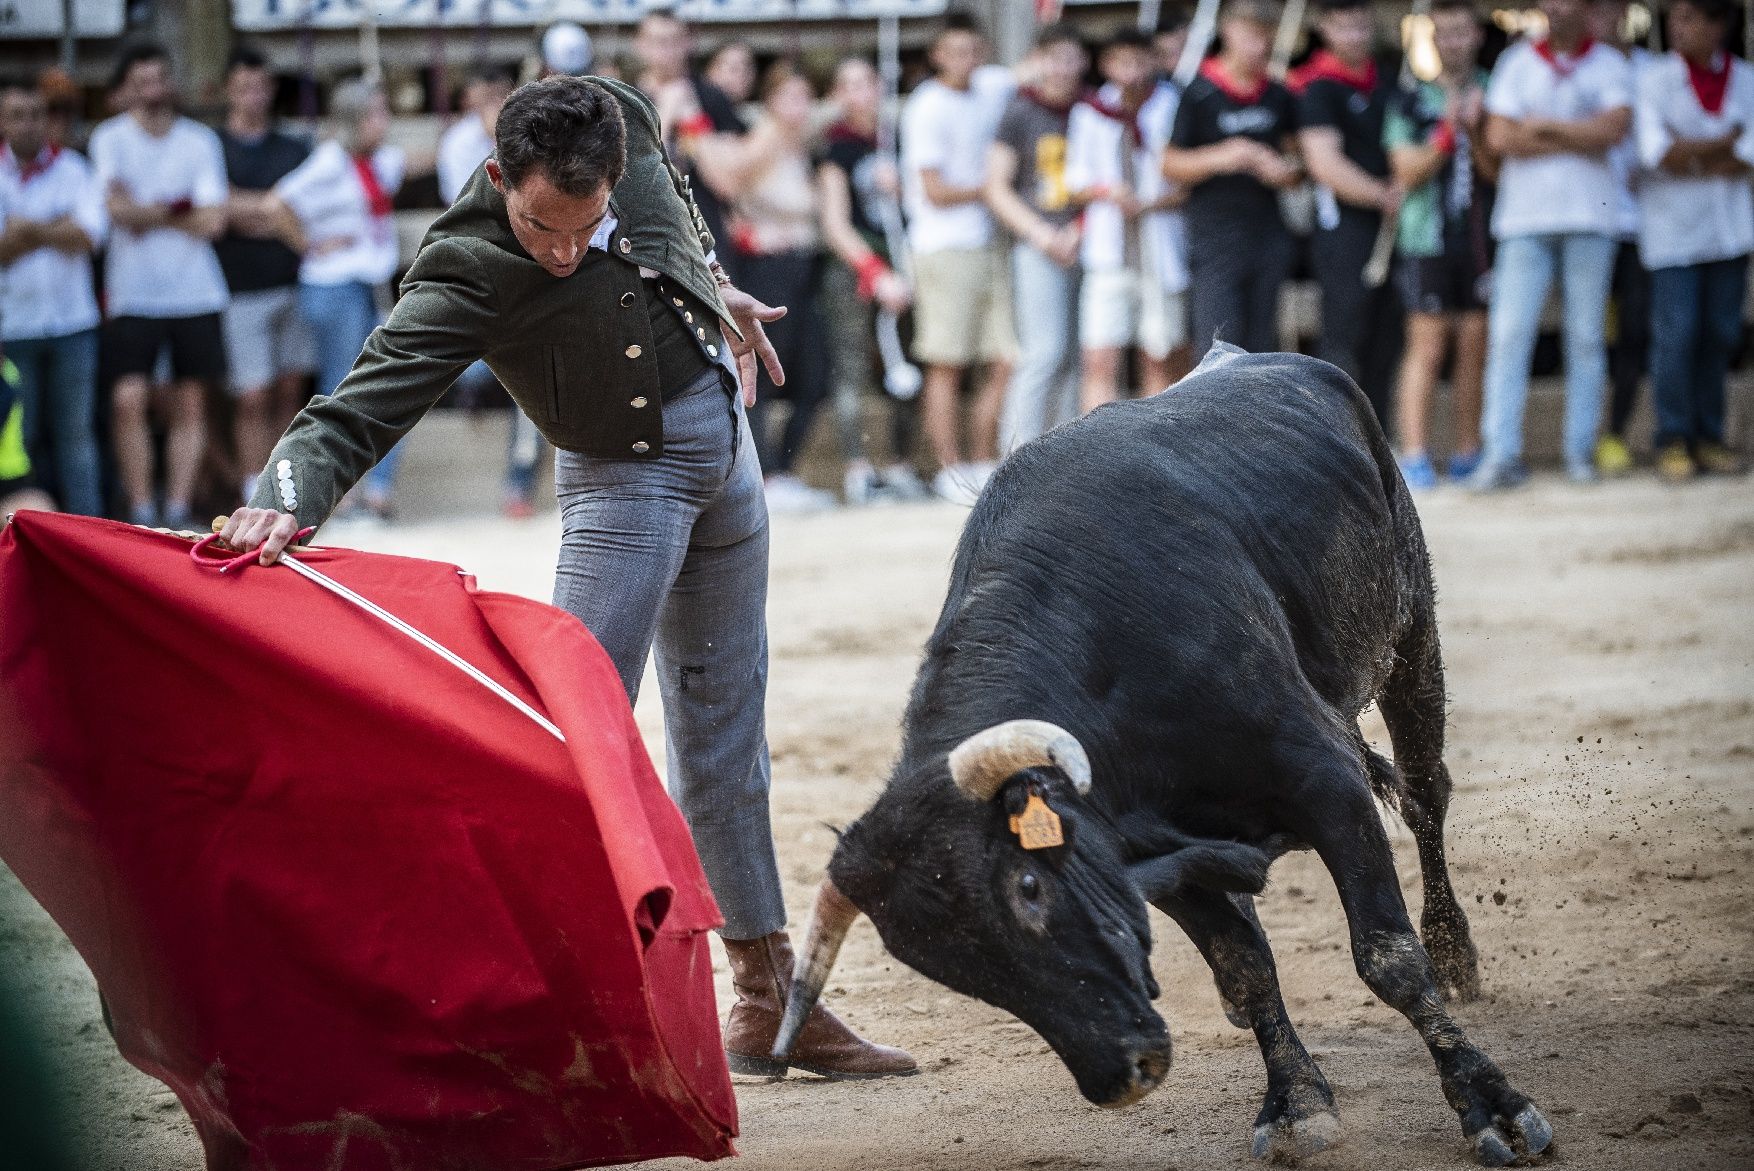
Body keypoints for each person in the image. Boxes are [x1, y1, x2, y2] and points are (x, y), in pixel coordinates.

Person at [217, 76, 916, 1080]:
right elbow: (360, 399)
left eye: (580, 225)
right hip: (624, 488)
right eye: (540, 224)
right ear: (500, 175)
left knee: (728, 745)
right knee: (565, 748)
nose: (559, 249)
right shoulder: (464, 269)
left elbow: (667, 208)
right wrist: (287, 491)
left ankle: (768, 1002)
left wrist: (701, 281)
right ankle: (534, 1009)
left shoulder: (615, 120)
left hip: (729, 452)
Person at [1476, 0, 1631, 489]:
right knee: (1508, 337)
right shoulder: (1515, 62)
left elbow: (1614, 130)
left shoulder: (1610, 63)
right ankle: (1501, 455)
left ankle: (1579, 454)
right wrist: (1579, 135)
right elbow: (1499, 137)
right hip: (1523, 220)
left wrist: (1541, 126)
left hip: (1590, 218)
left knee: (1586, 339)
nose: (1558, 7)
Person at [88, 42, 230, 530]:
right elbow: (112, 212)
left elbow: (213, 220)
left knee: (192, 402)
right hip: (133, 291)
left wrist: (144, 211)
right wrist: (179, 207)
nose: (154, 90)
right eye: (143, 81)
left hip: (196, 289)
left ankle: (177, 508)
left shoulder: (199, 140)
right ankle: (143, 508)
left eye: (160, 79)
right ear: (127, 89)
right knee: (128, 399)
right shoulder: (110, 138)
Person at [267, 79, 408, 522]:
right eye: (376, 114)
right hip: (333, 284)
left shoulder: (374, 161)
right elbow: (276, 204)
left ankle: (376, 491)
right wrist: (309, 244)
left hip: (366, 282)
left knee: (385, 383)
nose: (384, 122)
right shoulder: (329, 161)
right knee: (341, 388)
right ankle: (338, 493)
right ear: (354, 120)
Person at [1633, 0, 1752, 479]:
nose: (1676, 28)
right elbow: (1657, 154)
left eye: (1688, 18)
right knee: (1677, 335)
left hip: (1729, 231)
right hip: (1673, 235)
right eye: (1674, 18)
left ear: (1718, 24)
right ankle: (1673, 437)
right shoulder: (1655, 79)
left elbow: (1749, 157)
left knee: (1720, 334)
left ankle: (1709, 435)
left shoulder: (1745, 78)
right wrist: (1723, 146)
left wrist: (1692, 156)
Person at [901, 20, 1016, 504]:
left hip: (989, 243)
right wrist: (993, 189)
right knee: (946, 364)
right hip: (942, 246)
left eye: (972, 50)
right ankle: (949, 469)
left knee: (1006, 359)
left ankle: (985, 459)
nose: (964, 59)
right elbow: (934, 190)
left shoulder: (991, 86)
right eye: (955, 51)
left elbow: (1031, 72)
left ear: (982, 52)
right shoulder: (926, 106)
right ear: (937, 55)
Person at [1383, 0, 1496, 488]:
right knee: (1426, 348)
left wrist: (1481, 132)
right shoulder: (1410, 99)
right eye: (1443, 34)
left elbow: (1500, 170)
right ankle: (1414, 454)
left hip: (1483, 241)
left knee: (1475, 346)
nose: (1453, 42)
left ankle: (1470, 452)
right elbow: (1407, 170)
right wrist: (1450, 131)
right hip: (1425, 239)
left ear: (1475, 36)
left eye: (1461, 33)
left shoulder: (1497, 90)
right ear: (1432, 39)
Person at [1163, 0, 1304, 355]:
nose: (1258, 45)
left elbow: (1298, 160)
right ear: (1227, 32)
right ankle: (1212, 413)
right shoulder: (1198, 92)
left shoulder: (1278, 94)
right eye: (1250, 34)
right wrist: (1225, 156)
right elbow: (1169, 163)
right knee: (1217, 346)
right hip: (1215, 236)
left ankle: (1255, 413)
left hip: (1268, 232)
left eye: (1264, 36)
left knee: (1262, 347)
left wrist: (1284, 172)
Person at [817, 57, 927, 503]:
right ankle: (859, 470)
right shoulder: (835, 149)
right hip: (857, 267)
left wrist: (902, 189)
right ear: (838, 95)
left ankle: (902, 466)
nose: (860, 92)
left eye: (867, 82)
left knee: (907, 362)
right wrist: (874, 273)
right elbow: (834, 222)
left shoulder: (900, 140)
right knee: (852, 367)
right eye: (849, 84)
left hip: (904, 260)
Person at [1293, 0, 1405, 428]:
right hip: (1342, 229)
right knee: (1343, 338)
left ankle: (1379, 438)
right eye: (1344, 27)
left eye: (1361, 26)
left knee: (1386, 339)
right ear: (1325, 28)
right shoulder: (1317, 87)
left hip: (1394, 228)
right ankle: (1334, 434)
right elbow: (1325, 164)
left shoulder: (1391, 81)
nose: (1354, 37)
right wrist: (1381, 193)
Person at [1067, 28, 1188, 413]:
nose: (1132, 72)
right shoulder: (1089, 111)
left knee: (1160, 355)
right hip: (1109, 249)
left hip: (1161, 247)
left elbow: (1187, 180)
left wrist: (1150, 202)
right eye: (1122, 62)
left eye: (1139, 61)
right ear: (1106, 65)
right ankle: (1097, 451)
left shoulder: (1172, 105)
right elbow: (1073, 181)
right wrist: (1109, 192)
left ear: (1153, 62)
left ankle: (1155, 453)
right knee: (1100, 356)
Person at [0, 74, 105, 517]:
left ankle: (90, 535)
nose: (29, 124)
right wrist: (53, 228)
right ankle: (28, 534)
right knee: (21, 443)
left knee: (76, 437)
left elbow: (89, 237)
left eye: (36, 114)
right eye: (17, 115)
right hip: (12, 327)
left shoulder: (75, 169)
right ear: (2, 122)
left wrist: (25, 230)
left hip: (72, 323)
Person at [217, 46, 315, 506]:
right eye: (243, 88)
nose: (253, 96)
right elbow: (216, 211)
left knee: (290, 390)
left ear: (271, 90)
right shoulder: (213, 146)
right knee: (251, 396)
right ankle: (251, 493)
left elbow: (301, 211)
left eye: (260, 86)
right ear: (228, 92)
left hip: (292, 282)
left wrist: (244, 208)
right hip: (239, 289)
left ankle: (284, 488)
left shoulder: (295, 147)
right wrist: (273, 211)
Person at [987, 24, 1087, 451]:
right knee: (1043, 354)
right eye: (1055, 57)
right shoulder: (1019, 112)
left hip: (1089, 240)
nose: (1063, 68)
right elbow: (995, 185)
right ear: (1039, 61)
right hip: (1037, 243)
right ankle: (1017, 455)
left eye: (1071, 58)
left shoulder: (1093, 109)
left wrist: (1081, 229)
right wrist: (1040, 234)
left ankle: (1071, 453)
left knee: (1081, 358)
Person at [1588, 0, 1654, 477]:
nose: (1603, 15)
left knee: (1632, 334)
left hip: (1643, 227)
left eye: (1611, 6)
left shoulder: (1651, 68)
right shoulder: (1577, 66)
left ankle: (1615, 432)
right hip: (1588, 223)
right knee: (1588, 336)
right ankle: (1586, 436)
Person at [438, 67, 515, 204]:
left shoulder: (521, 126)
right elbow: (460, 198)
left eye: (502, 94)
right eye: (490, 98)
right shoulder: (458, 139)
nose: (497, 103)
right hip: (473, 217)